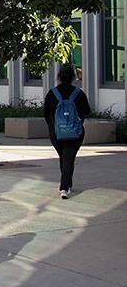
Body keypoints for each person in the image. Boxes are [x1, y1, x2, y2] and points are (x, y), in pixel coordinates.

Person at [43, 64, 90, 199]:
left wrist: (53, 127)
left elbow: (46, 114)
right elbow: (87, 111)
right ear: (73, 77)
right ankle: (65, 187)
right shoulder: (79, 93)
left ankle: (66, 185)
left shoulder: (52, 93)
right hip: (75, 133)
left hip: (56, 132)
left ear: (59, 76)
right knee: (68, 159)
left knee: (64, 158)